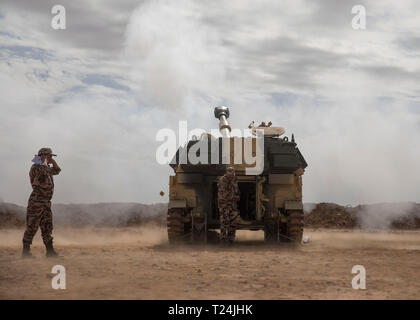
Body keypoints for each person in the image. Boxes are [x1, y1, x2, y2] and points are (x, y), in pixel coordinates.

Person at [22, 148, 61, 258]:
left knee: (47, 226)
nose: (51, 159)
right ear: (43, 156)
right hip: (36, 202)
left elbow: (57, 171)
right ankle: (25, 252)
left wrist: (52, 162)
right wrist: (43, 160)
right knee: (32, 227)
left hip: (46, 202)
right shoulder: (36, 167)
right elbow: (42, 168)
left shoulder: (46, 167)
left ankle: (50, 252)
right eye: (50, 156)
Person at [217, 167, 249, 244]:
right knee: (225, 222)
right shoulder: (222, 180)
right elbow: (223, 195)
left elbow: (236, 190)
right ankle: (224, 239)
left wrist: (238, 195)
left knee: (234, 221)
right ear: (226, 173)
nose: (231, 176)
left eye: (232, 174)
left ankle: (231, 239)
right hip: (224, 205)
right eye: (229, 174)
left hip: (233, 205)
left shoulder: (234, 179)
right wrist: (234, 197)